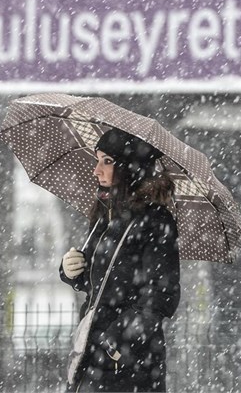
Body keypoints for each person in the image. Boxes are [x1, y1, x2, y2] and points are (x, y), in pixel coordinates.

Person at [60, 128, 181, 392]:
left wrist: (114, 345)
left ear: (130, 166)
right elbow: (98, 280)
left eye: (107, 161)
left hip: (130, 365)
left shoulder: (156, 221)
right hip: (92, 355)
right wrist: (71, 270)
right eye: (97, 160)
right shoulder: (105, 215)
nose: (97, 170)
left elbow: (160, 297)